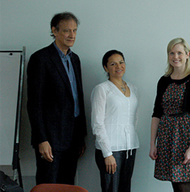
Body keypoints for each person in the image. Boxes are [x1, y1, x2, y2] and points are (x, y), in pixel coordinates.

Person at [27, 12, 87, 185]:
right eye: (67, 31)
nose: (72, 35)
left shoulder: (75, 59)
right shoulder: (41, 59)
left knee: (68, 184)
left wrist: (81, 136)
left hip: (73, 137)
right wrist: (42, 139)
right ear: (54, 30)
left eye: (75, 30)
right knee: (49, 185)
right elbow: (34, 103)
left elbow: (77, 99)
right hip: (51, 138)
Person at [149, 38, 190, 192]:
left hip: (186, 139)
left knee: (183, 187)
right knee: (175, 186)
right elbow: (156, 113)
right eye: (172, 53)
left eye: (180, 53)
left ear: (187, 54)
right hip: (167, 137)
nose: (176, 57)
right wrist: (152, 143)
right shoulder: (163, 81)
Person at [91, 50, 139, 192]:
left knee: (126, 188)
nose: (118, 66)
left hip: (130, 147)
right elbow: (97, 124)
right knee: (111, 189)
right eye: (113, 64)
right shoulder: (102, 89)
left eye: (121, 62)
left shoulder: (133, 88)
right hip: (111, 149)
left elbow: (133, 118)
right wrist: (107, 153)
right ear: (106, 68)